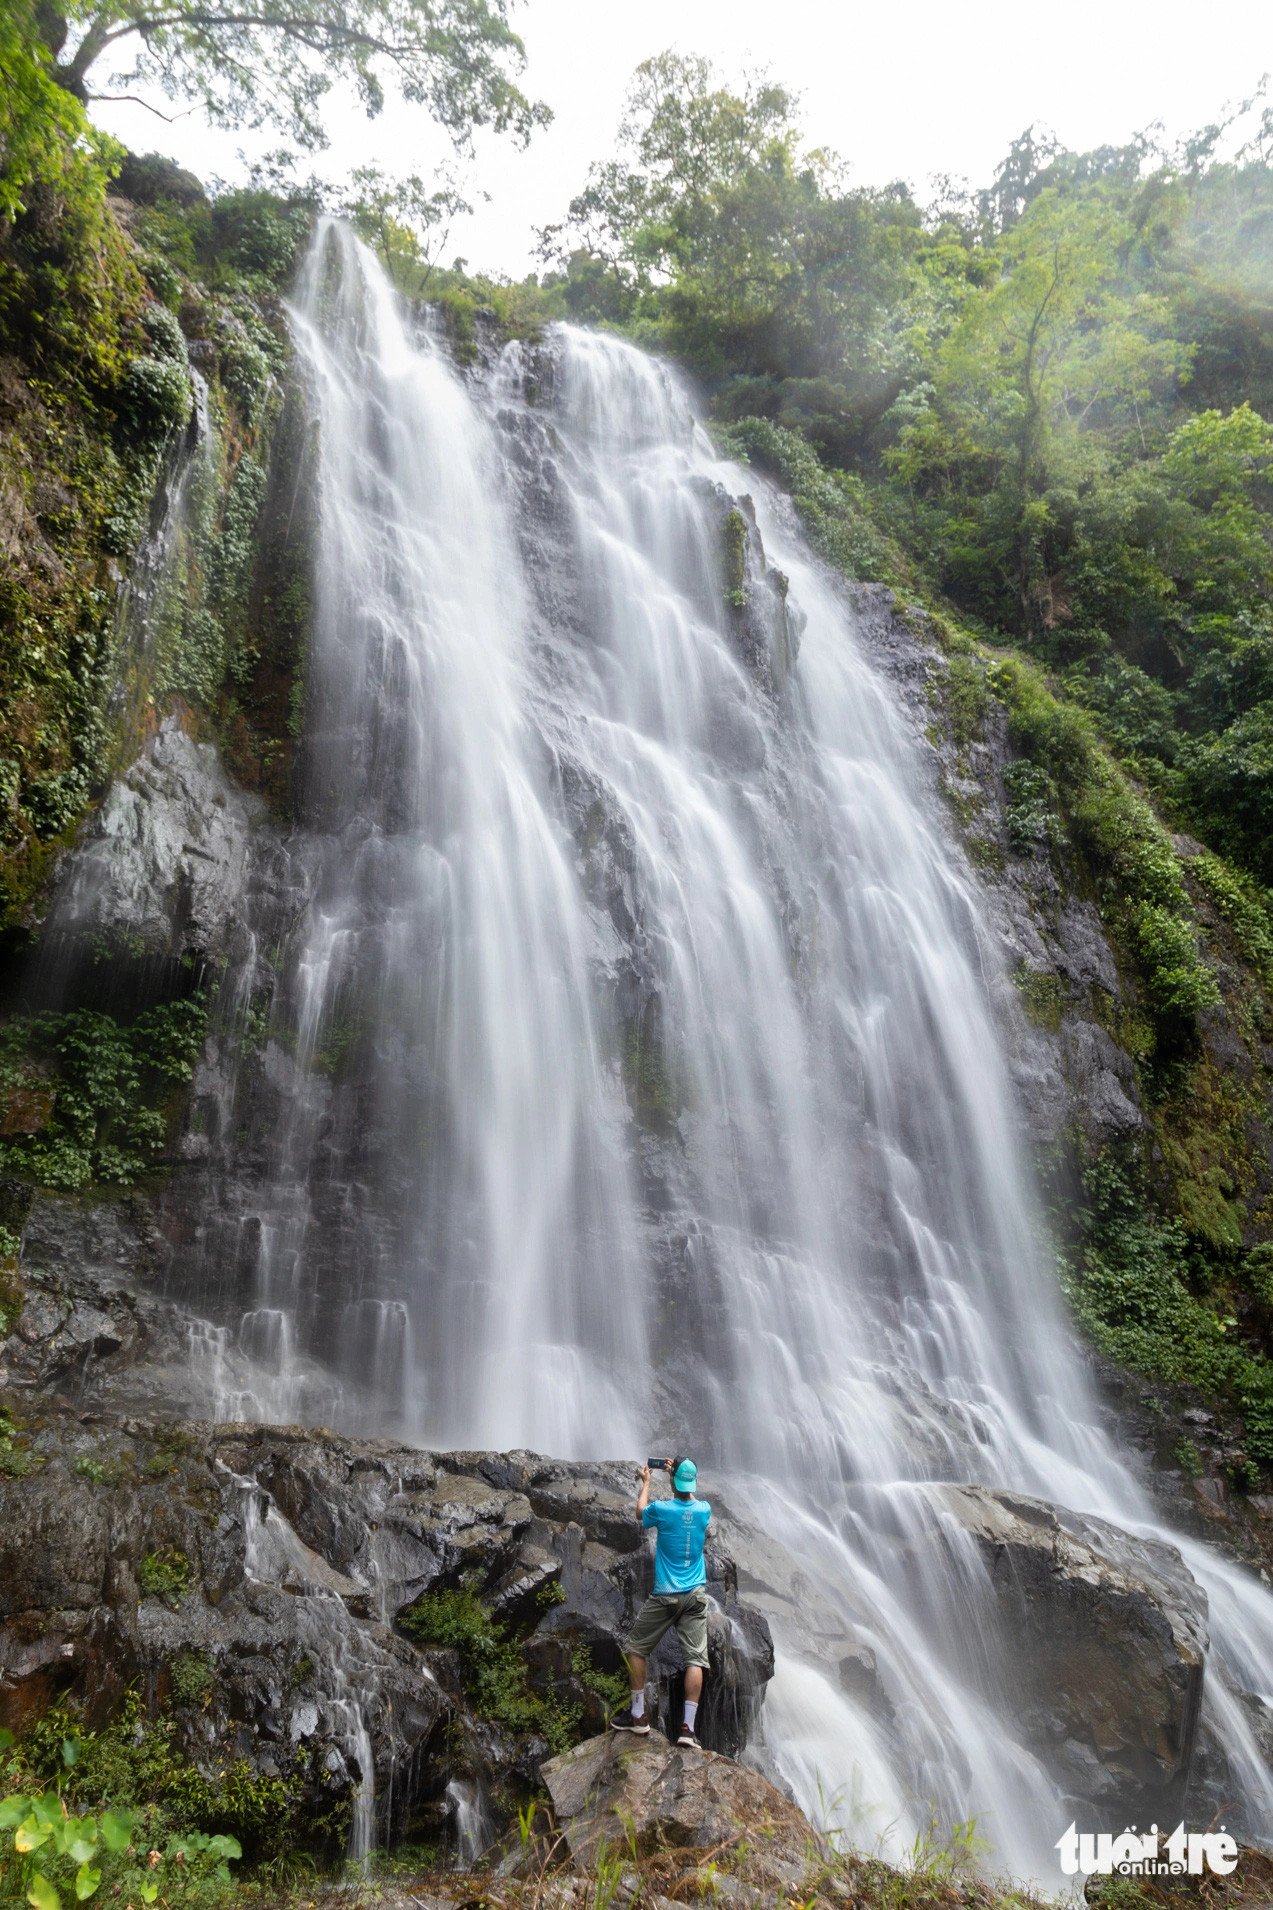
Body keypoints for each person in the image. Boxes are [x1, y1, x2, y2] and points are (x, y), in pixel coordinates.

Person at [610, 1455, 711, 1750]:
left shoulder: (663, 1510)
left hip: (666, 1594)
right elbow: (692, 1500)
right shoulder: (705, 1510)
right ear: (692, 1482)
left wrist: (647, 1483)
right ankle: (687, 1730)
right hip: (695, 1596)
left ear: (673, 1481)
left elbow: (640, 1513)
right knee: (695, 1660)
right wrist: (679, 1475)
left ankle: (639, 1716)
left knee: (636, 1648)